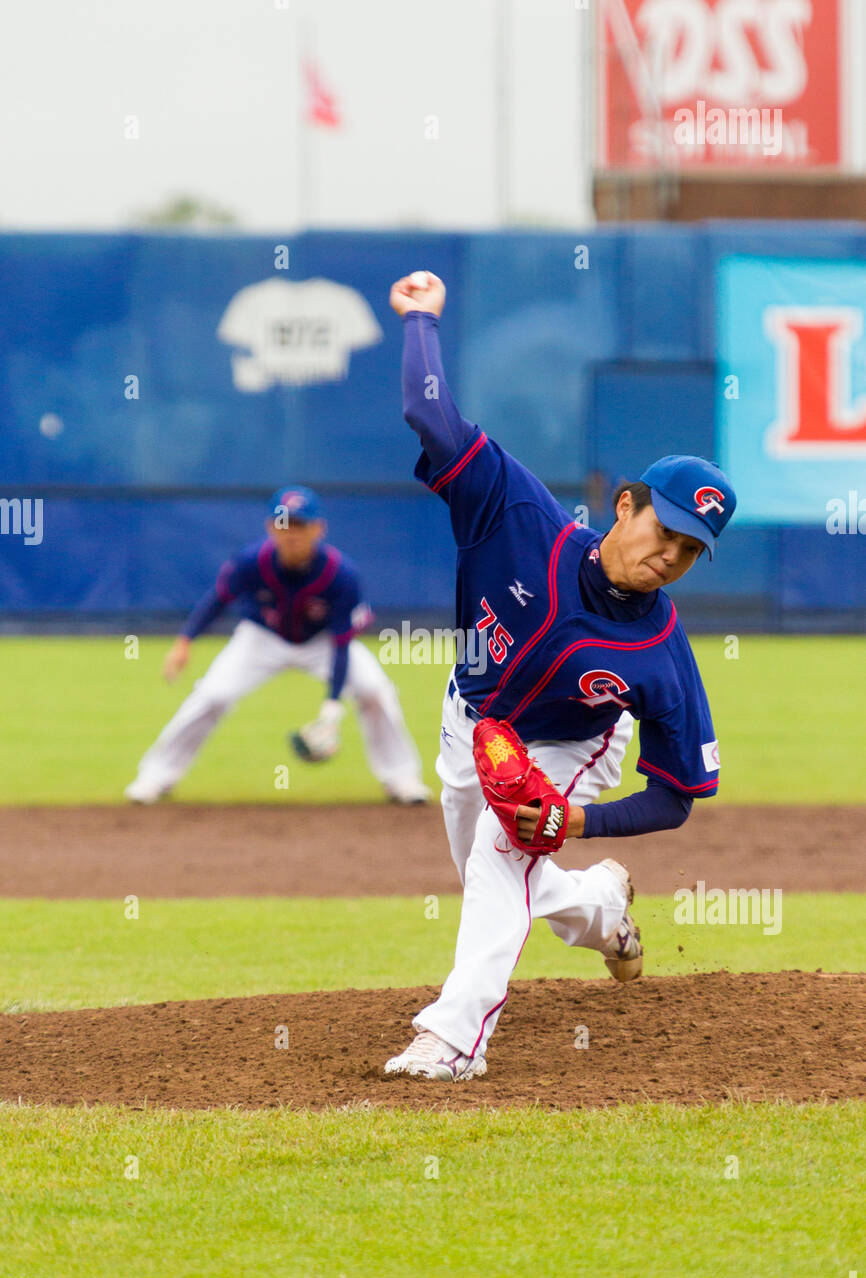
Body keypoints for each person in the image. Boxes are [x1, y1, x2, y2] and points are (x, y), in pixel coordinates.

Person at [383, 271, 736, 1082]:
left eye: (690, 552)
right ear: (623, 506)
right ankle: (601, 909)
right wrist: (421, 318)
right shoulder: (515, 513)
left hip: (569, 745)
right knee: (492, 868)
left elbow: (681, 797)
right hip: (468, 716)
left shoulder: (660, 655)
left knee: (501, 857)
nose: (670, 556)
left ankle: (452, 1041)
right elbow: (427, 411)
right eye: (666, 530)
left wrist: (582, 823)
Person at [124, 486, 430, 806]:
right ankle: (156, 776)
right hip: (261, 639)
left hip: (322, 642)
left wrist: (331, 707)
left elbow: (341, 643)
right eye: (283, 524)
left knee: (375, 691)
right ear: (270, 527)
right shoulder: (252, 562)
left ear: (318, 529)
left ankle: (401, 778)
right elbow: (219, 598)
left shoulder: (341, 575)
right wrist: (185, 640)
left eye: (299, 525)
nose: (291, 534)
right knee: (213, 695)